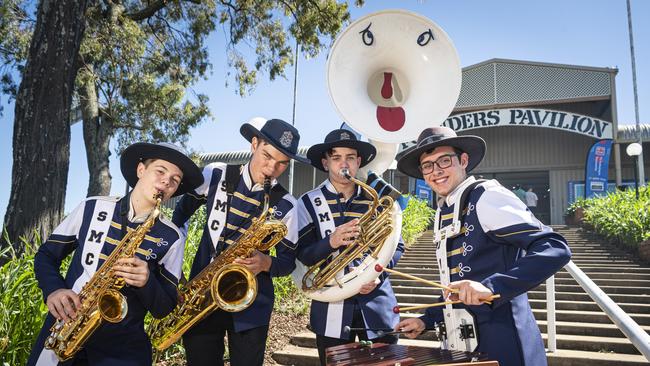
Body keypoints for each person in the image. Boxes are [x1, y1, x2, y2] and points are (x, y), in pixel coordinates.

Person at [394, 127, 571, 366]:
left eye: (444, 161)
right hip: (462, 340)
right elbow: (457, 279)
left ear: (463, 160)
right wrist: (427, 319)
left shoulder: (487, 196)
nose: (436, 171)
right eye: (427, 165)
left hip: (503, 339)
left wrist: (492, 287)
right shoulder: (443, 208)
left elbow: (554, 247)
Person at [28, 142, 204, 366]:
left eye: (174, 180)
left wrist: (147, 282)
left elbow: (164, 307)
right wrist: (53, 290)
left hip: (122, 350)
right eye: (160, 171)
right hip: (65, 330)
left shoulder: (173, 237)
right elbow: (46, 255)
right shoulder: (92, 207)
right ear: (141, 170)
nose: (166, 182)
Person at [173, 118, 306, 366]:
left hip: (251, 305)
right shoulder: (215, 173)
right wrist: (174, 267)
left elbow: (288, 262)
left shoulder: (287, 204)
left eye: (281, 164)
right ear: (254, 144)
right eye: (267, 156)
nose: (271, 168)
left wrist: (266, 262)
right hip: (202, 296)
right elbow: (179, 216)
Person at [296, 129, 405, 365]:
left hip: (377, 306)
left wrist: (378, 273)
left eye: (350, 158)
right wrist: (330, 242)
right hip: (330, 310)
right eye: (336, 158)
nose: (344, 164)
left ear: (359, 162)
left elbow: (397, 245)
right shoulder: (307, 202)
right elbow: (303, 254)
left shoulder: (377, 199)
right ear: (326, 163)